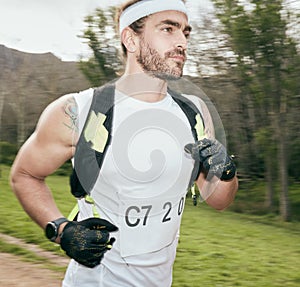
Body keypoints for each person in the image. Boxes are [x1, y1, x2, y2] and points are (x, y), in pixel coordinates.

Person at [10, 0, 238, 286]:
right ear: (131, 38)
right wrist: (61, 229)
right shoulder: (78, 111)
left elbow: (218, 200)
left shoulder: (194, 113)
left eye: (185, 32)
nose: (182, 42)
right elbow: (25, 175)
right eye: (168, 29)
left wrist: (226, 173)